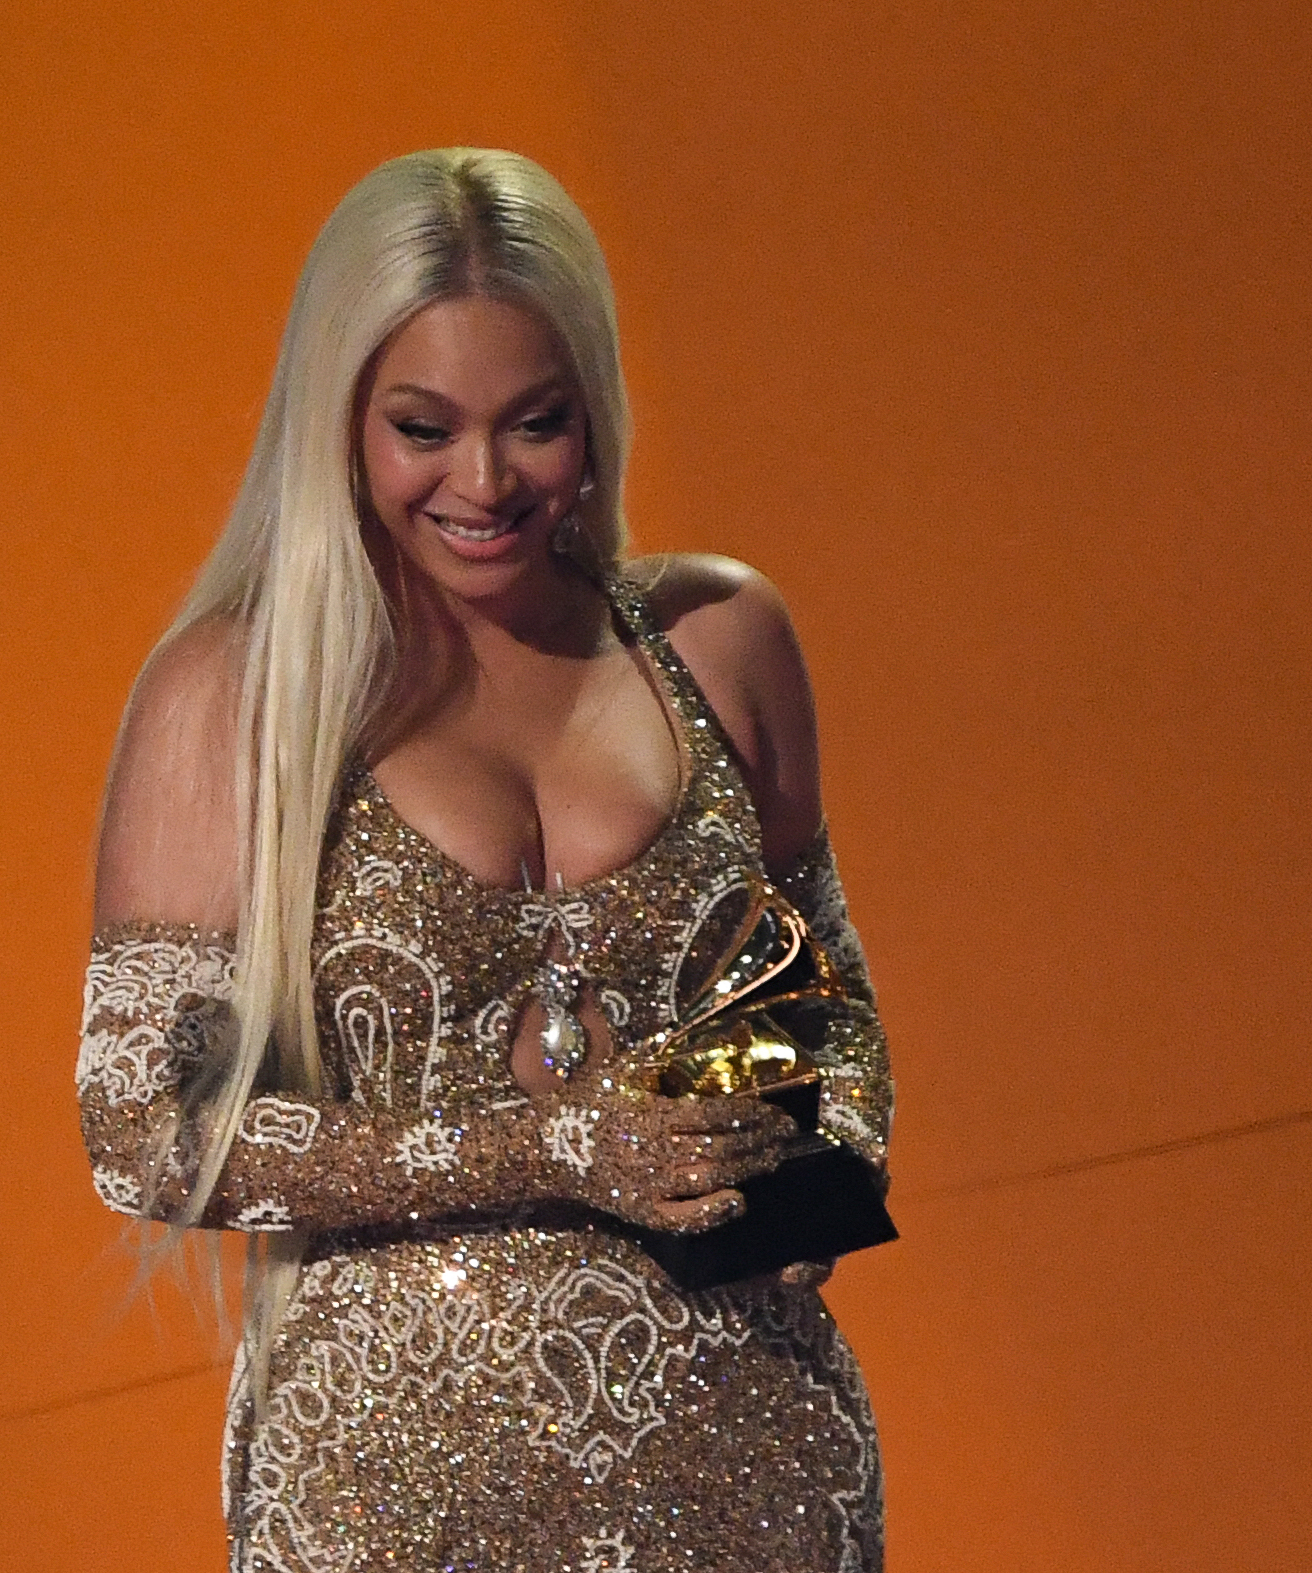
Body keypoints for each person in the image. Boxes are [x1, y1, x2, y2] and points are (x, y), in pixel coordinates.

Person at [74, 148, 890, 1569]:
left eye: (536, 422)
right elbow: (146, 1129)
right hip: (388, 1487)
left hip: (751, 1460)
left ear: (595, 413)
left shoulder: (715, 638)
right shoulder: (244, 696)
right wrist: (549, 1145)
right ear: (338, 421)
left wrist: (814, 1168)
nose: (486, 479)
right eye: (422, 427)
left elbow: (825, 1012)